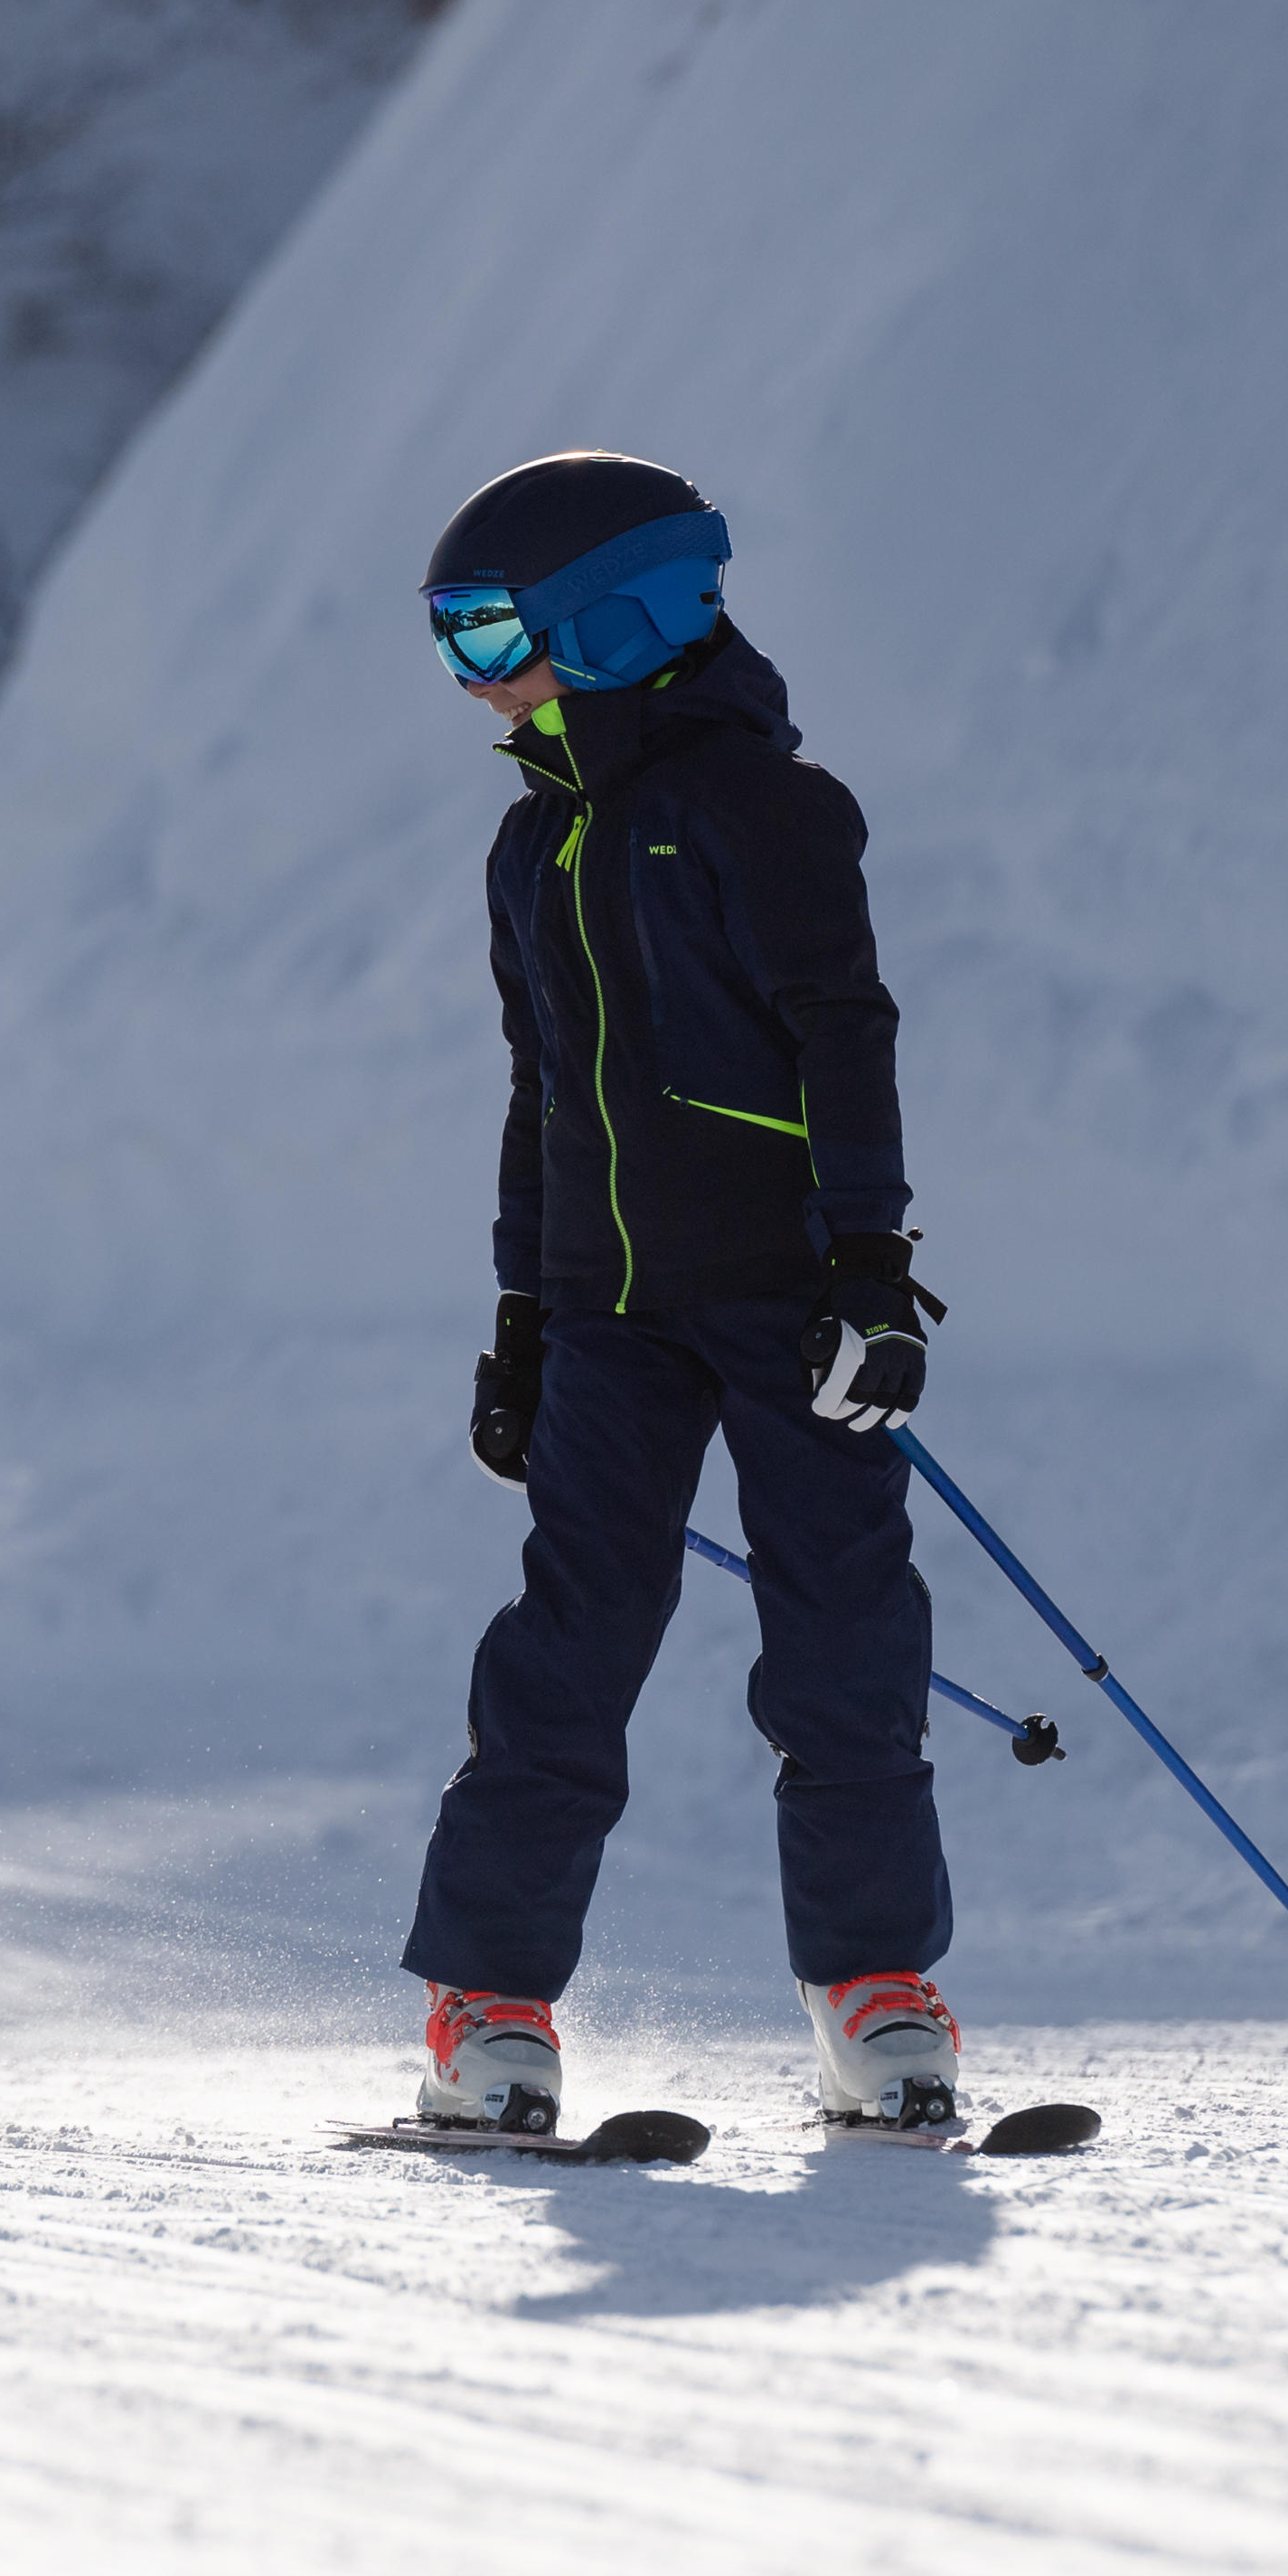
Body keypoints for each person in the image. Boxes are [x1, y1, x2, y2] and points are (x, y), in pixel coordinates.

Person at [400, 454, 964, 2138]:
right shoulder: (531, 850)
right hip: (606, 1318)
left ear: (613, 616)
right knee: (570, 1647)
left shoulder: (771, 812)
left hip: (790, 1303)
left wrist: (868, 1268)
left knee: (847, 1641)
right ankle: (487, 2007)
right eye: (452, 643)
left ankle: (876, 1996)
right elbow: (542, 1099)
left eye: (495, 630)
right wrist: (522, 1318)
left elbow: (845, 1035)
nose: (478, 676)